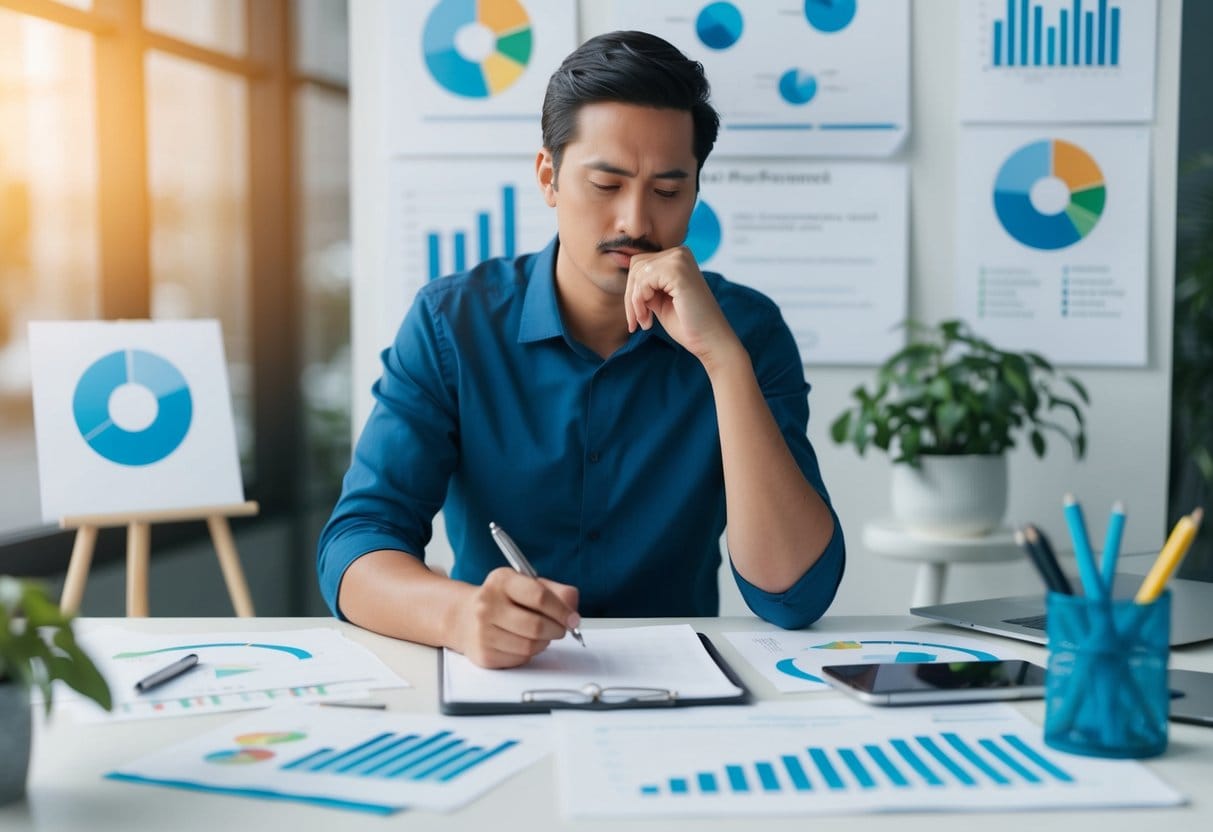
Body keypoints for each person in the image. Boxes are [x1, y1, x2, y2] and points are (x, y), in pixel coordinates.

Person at [318, 30, 844, 668]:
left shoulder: (748, 332)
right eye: (606, 184)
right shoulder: (451, 324)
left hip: (682, 693)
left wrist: (724, 363)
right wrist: (458, 615)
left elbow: (793, 595)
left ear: (695, 194)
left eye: (669, 191)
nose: (635, 222)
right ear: (549, 176)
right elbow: (355, 545)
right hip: (502, 677)